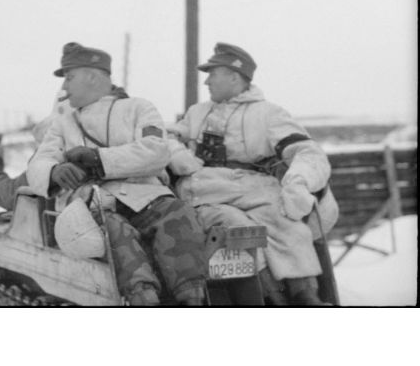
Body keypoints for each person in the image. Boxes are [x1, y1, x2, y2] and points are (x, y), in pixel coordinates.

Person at [26, 42, 208, 306]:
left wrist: (99, 159)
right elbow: (39, 161)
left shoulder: (139, 109)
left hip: (146, 198)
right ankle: (142, 298)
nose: (64, 88)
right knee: (111, 227)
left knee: (178, 213)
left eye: (69, 77)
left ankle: (192, 297)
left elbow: (156, 150)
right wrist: (54, 171)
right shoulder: (64, 123)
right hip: (95, 202)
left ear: (92, 76)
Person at [167, 42, 339, 306]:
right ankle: (272, 299)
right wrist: (178, 154)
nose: (207, 82)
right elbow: (166, 138)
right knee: (240, 229)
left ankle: (305, 296)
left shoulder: (268, 113)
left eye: (213, 74)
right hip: (204, 188)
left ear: (234, 77)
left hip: (253, 188)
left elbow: (306, 151)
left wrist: (298, 181)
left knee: (289, 226)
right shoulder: (196, 113)